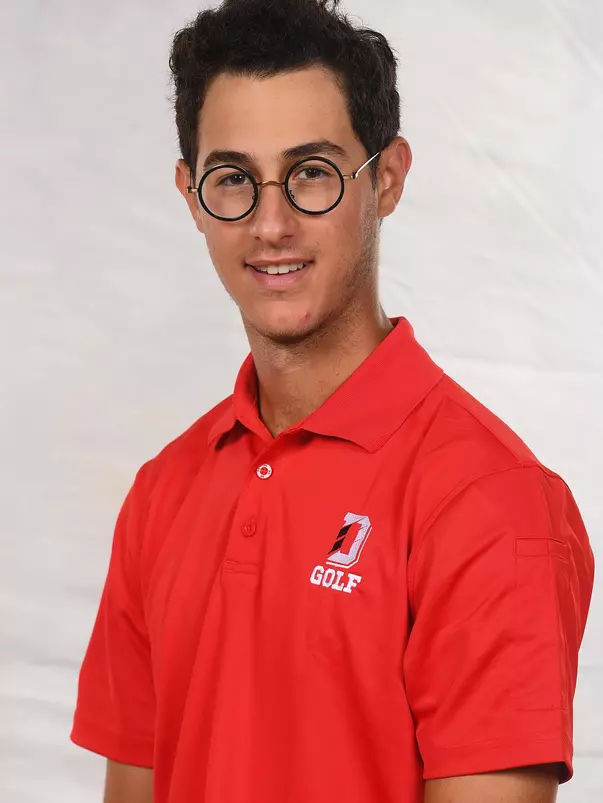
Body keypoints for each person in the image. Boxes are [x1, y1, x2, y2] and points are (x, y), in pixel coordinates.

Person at [70, 1, 595, 801]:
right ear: (189, 194)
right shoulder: (161, 492)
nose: (270, 223)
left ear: (384, 180)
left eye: (310, 172)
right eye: (232, 180)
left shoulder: (490, 500)